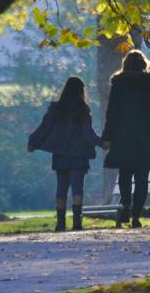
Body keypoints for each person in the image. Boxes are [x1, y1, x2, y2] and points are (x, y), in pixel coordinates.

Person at [101, 50, 150, 228]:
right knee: (142, 178)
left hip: (124, 136)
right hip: (146, 138)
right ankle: (136, 214)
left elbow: (112, 114)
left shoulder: (119, 84)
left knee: (124, 174)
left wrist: (107, 137)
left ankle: (125, 205)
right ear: (144, 65)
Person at [27, 76, 103, 232]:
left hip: (61, 154)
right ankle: (77, 222)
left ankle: (60, 223)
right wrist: (102, 143)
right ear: (81, 91)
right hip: (79, 154)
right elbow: (88, 134)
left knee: (61, 187)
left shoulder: (56, 109)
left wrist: (33, 142)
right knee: (77, 187)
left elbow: (44, 127)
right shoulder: (83, 110)